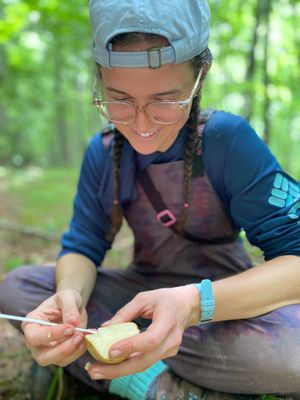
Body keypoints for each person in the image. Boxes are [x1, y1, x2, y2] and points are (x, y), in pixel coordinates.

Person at [0, 0, 300, 399]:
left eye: (165, 100)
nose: (140, 125)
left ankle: (122, 365)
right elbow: (83, 246)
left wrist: (192, 305)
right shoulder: (103, 153)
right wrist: (70, 296)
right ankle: (160, 388)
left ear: (199, 78)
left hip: (222, 305)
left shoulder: (227, 141)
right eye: (119, 99)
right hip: (138, 301)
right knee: (21, 287)